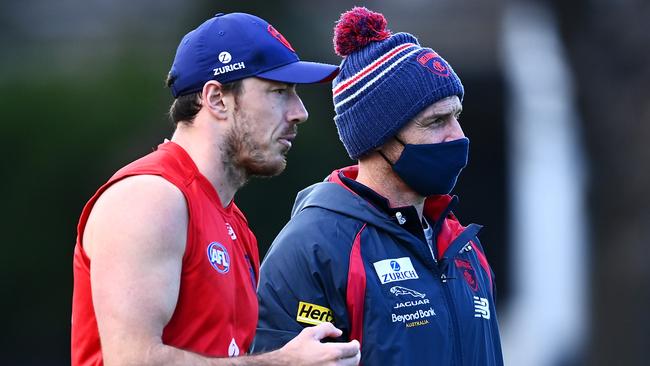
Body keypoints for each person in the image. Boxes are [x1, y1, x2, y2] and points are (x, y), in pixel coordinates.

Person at [71, 12, 361, 366]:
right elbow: (134, 360)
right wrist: (283, 363)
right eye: (279, 91)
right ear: (217, 99)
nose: (299, 112)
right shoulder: (150, 198)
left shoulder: (233, 222)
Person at [253, 7, 504, 365]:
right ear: (378, 137)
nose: (458, 136)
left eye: (456, 116)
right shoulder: (314, 248)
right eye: (436, 121)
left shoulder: (462, 245)